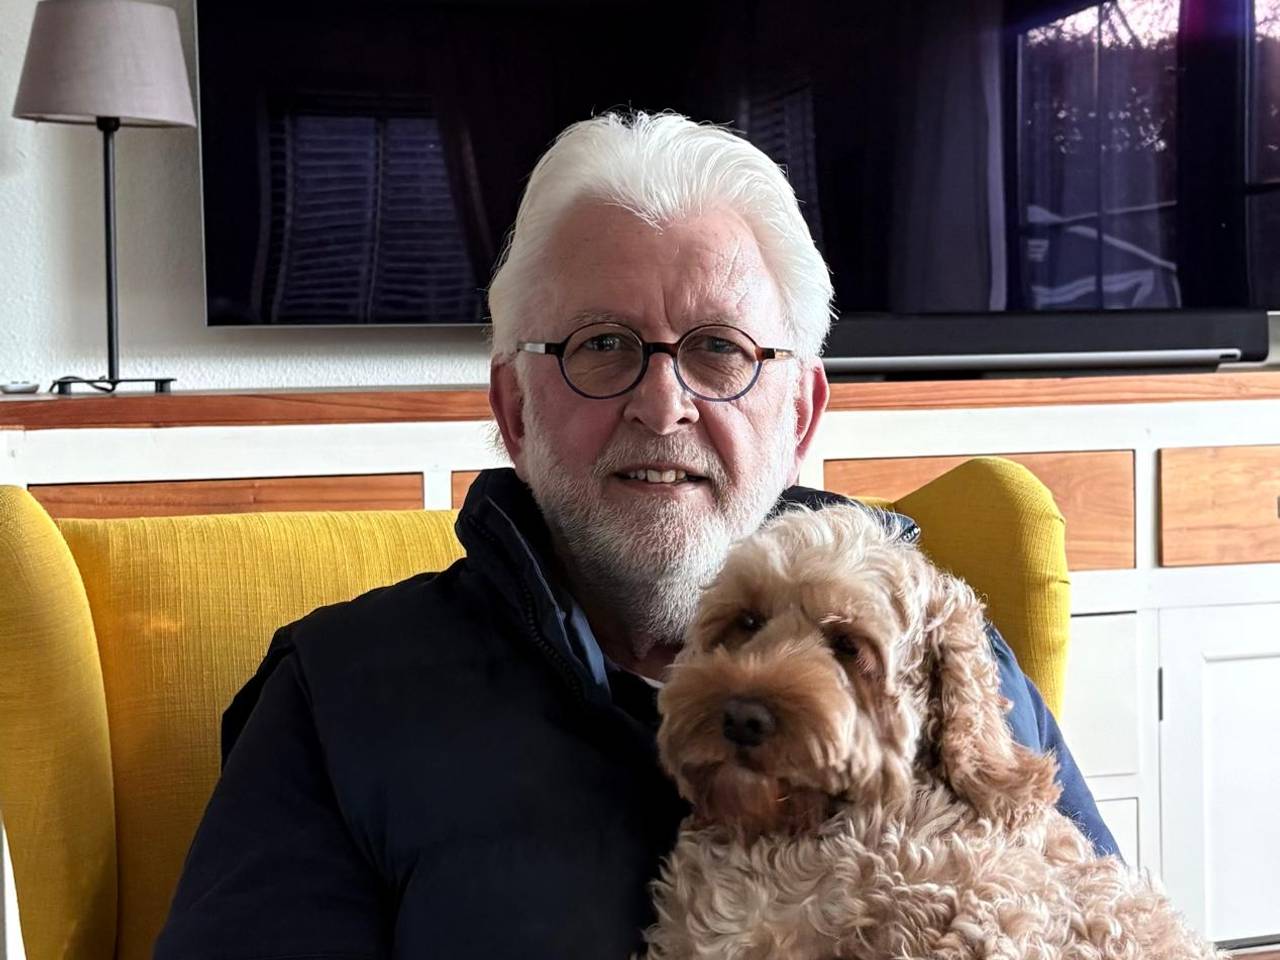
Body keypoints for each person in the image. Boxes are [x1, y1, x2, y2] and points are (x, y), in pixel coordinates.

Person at [155, 111, 1117, 958]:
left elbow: (1108, 919)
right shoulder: (340, 698)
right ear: (514, 408)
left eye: (720, 349)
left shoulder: (942, 656)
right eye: (602, 345)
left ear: (800, 414)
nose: (663, 406)